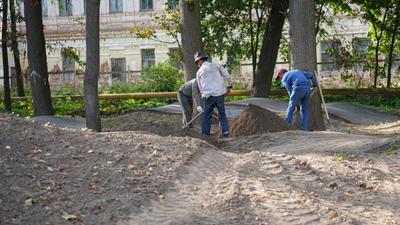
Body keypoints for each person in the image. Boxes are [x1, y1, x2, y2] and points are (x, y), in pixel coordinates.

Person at [194, 51, 233, 137]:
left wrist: (203, 96)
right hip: (219, 95)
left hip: (208, 97)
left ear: (200, 60)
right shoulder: (216, 65)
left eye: (197, 62)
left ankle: (205, 136)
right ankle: (226, 133)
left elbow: (201, 88)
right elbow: (228, 76)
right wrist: (229, 86)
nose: (197, 64)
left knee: (207, 116)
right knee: (222, 114)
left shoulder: (199, 72)